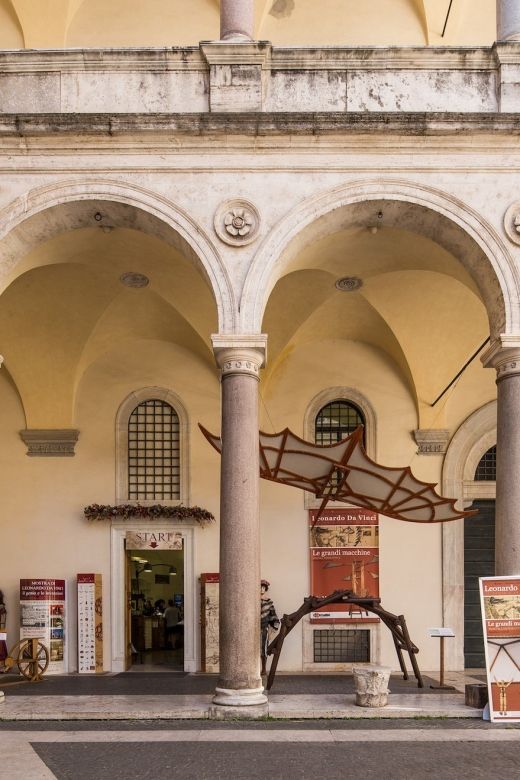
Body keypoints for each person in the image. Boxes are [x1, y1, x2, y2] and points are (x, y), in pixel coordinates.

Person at [260, 579, 280, 676]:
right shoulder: (250, 602)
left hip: (264, 629)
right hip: (251, 630)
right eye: (260, 587)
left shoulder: (268, 602)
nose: (262, 589)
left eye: (264, 587)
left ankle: (263, 669)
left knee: (263, 649)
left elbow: (273, 616)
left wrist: (273, 629)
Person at [0, 590, 8, 672]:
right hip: (1, 630)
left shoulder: (1, 607)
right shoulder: (2, 607)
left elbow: (3, 620)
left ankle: (2, 666)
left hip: (1, 630)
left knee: (1, 648)